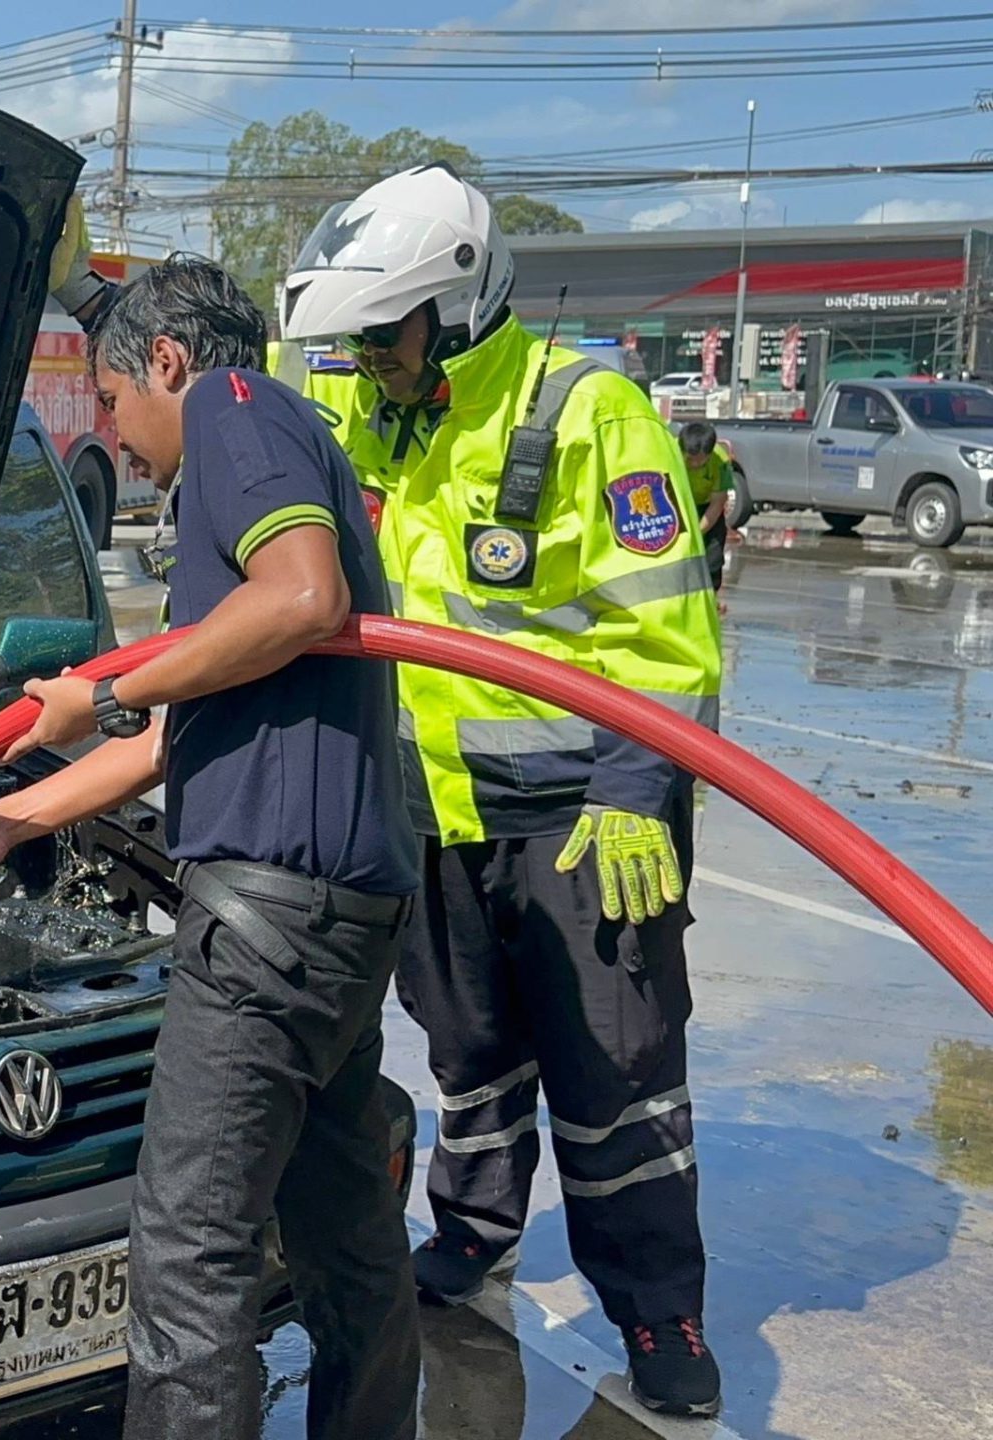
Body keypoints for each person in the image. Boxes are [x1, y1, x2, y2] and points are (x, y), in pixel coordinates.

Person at [0, 256, 422, 1440]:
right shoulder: (266, 448)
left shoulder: (235, 415)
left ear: (172, 364)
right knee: (347, 1247)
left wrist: (107, 687)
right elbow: (166, 742)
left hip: (265, 928)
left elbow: (300, 599)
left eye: (109, 395)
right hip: (334, 929)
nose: (110, 433)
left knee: (187, 1261)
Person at [279, 164, 726, 1418]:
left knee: (614, 1071)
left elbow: (667, 634)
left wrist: (637, 789)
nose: (369, 360)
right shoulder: (379, 415)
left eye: (387, 335)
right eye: (358, 341)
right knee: (467, 1049)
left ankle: (657, 1311)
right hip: (434, 814)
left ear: (459, 309)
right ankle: (474, 1234)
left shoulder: (588, 416)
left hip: (586, 817)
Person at [679, 420, 736, 592]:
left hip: (707, 508)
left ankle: (710, 600)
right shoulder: (669, 452)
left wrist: (696, 531)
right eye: (690, 460)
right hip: (678, 506)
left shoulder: (721, 461)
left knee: (713, 557)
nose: (695, 465)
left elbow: (718, 503)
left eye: (701, 461)